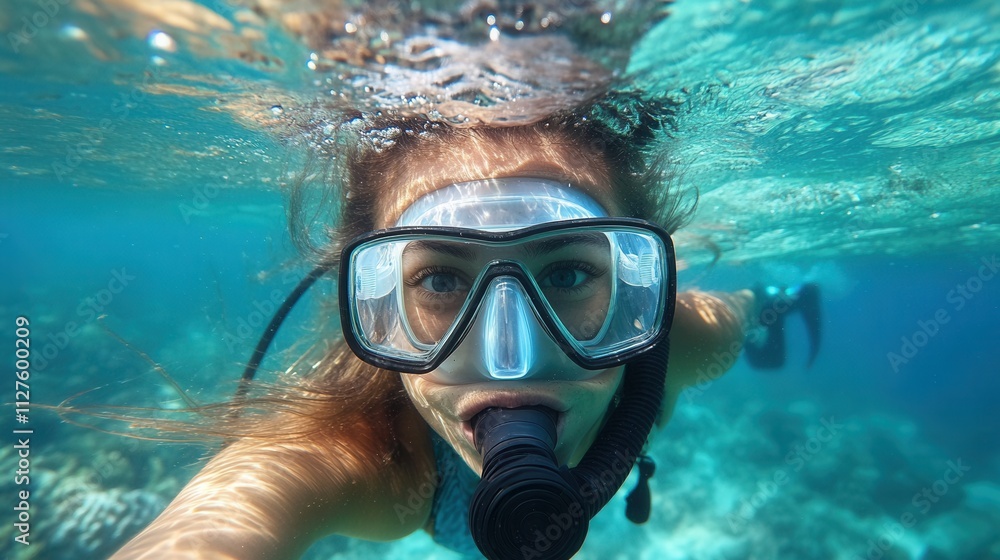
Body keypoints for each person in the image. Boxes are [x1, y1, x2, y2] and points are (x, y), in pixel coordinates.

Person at [109, 90, 818, 560]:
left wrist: (762, 305)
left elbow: (735, 315)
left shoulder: (687, 339)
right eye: (441, 279)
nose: (510, 361)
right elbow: (215, 528)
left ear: (637, 288)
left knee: (751, 315)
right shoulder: (378, 464)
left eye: (568, 273)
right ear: (381, 303)